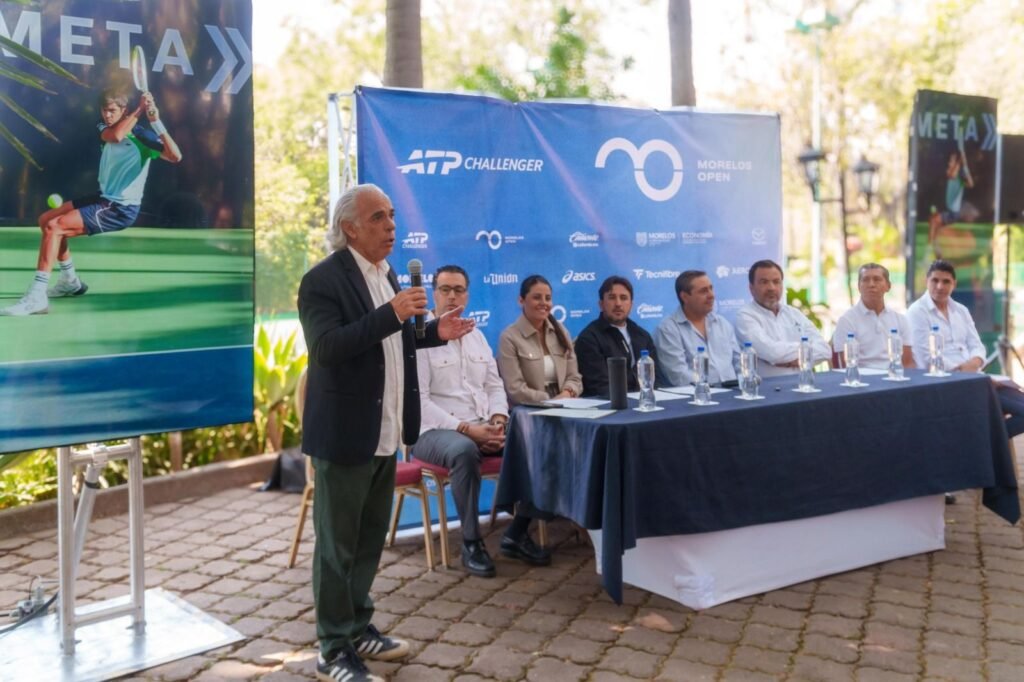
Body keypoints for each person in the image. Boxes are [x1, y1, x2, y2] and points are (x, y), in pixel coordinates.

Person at [298, 184, 473, 682]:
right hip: (345, 435)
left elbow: (393, 342)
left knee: (369, 539)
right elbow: (327, 348)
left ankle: (357, 628)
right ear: (350, 228)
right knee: (337, 547)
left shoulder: (387, 274)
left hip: (386, 430)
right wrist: (392, 313)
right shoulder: (322, 281)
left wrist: (432, 332)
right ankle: (333, 649)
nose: (391, 225)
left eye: (392, 215)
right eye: (378, 217)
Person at [1, 88, 182, 316]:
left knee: (55, 227)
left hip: (120, 208)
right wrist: (140, 110)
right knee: (46, 219)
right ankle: (70, 281)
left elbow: (175, 156)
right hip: (103, 197)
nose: (107, 115)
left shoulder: (143, 137)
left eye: (112, 110)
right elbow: (115, 137)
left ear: (123, 110)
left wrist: (155, 122)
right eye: (104, 110)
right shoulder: (104, 127)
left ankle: (36, 297)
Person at [414, 264, 537, 578]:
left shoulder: (477, 336)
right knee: (464, 450)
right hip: (433, 432)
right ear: (434, 294)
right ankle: (471, 543)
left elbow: (495, 387)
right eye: (445, 289)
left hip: (481, 422)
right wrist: (468, 430)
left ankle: (517, 531)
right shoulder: (420, 339)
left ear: (467, 296)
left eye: (458, 290)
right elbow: (420, 403)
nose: (452, 296)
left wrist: (498, 420)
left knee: (535, 441)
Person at [496, 274, 583, 564]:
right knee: (552, 451)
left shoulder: (561, 331)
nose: (544, 303)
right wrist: (550, 401)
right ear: (521, 300)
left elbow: (575, 376)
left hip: (564, 408)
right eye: (537, 297)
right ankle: (517, 532)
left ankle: (586, 520)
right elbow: (515, 389)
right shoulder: (509, 337)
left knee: (589, 447)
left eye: (548, 298)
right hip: (528, 415)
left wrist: (568, 393)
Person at [907, 260, 1024, 439]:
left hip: (975, 378)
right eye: (935, 280)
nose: (940, 286)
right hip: (946, 383)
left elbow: (977, 346)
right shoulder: (916, 312)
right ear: (926, 281)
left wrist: (975, 363)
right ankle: (980, 442)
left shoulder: (960, 310)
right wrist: (963, 370)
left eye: (946, 281)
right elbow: (927, 359)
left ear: (954, 284)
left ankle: (979, 441)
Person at [735, 259, 831, 377]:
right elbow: (772, 352)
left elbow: (825, 350)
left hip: (802, 383)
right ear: (751, 288)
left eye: (776, 282)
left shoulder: (793, 313)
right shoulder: (745, 316)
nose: (771, 288)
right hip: (766, 386)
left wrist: (789, 361)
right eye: (764, 282)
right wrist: (805, 352)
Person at [575, 275, 658, 397]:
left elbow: (655, 378)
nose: (618, 304)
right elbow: (600, 386)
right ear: (601, 304)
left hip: (645, 401)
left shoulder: (642, 335)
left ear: (631, 304)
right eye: (612, 298)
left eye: (623, 298)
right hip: (609, 403)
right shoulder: (589, 338)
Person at [655, 270, 740, 386]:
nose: (711, 295)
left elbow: (739, 362)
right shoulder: (668, 329)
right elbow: (678, 375)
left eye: (711, 288)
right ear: (685, 297)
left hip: (734, 392)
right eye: (703, 291)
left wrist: (744, 384)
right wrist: (710, 388)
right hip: (697, 394)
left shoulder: (722, 323)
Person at [832, 263, 914, 370]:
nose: (871, 284)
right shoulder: (846, 321)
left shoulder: (900, 320)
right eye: (865, 280)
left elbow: (907, 364)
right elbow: (847, 367)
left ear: (888, 286)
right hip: (861, 378)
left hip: (894, 376)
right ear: (859, 286)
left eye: (877, 279)